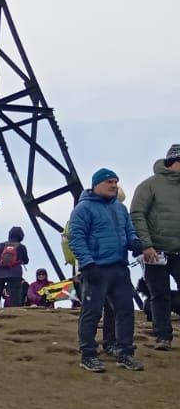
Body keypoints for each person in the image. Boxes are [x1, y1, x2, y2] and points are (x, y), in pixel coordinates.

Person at [69, 168, 144, 372]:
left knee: (125, 311)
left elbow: (129, 231)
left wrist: (136, 243)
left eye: (116, 181)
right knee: (92, 313)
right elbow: (75, 238)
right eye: (109, 181)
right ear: (97, 184)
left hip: (120, 268)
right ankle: (88, 354)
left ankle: (125, 353)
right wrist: (88, 263)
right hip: (96, 269)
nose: (114, 185)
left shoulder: (120, 208)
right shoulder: (83, 209)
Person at [130, 144, 180, 350]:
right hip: (155, 251)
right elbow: (137, 214)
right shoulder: (149, 185)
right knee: (159, 294)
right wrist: (146, 245)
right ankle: (163, 337)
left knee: (160, 294)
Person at [0, 226, 29, 307]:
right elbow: (26, 261)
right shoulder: (21, 247)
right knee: (15, 298)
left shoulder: (1, 245)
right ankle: (17, 316)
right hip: (15, 273)